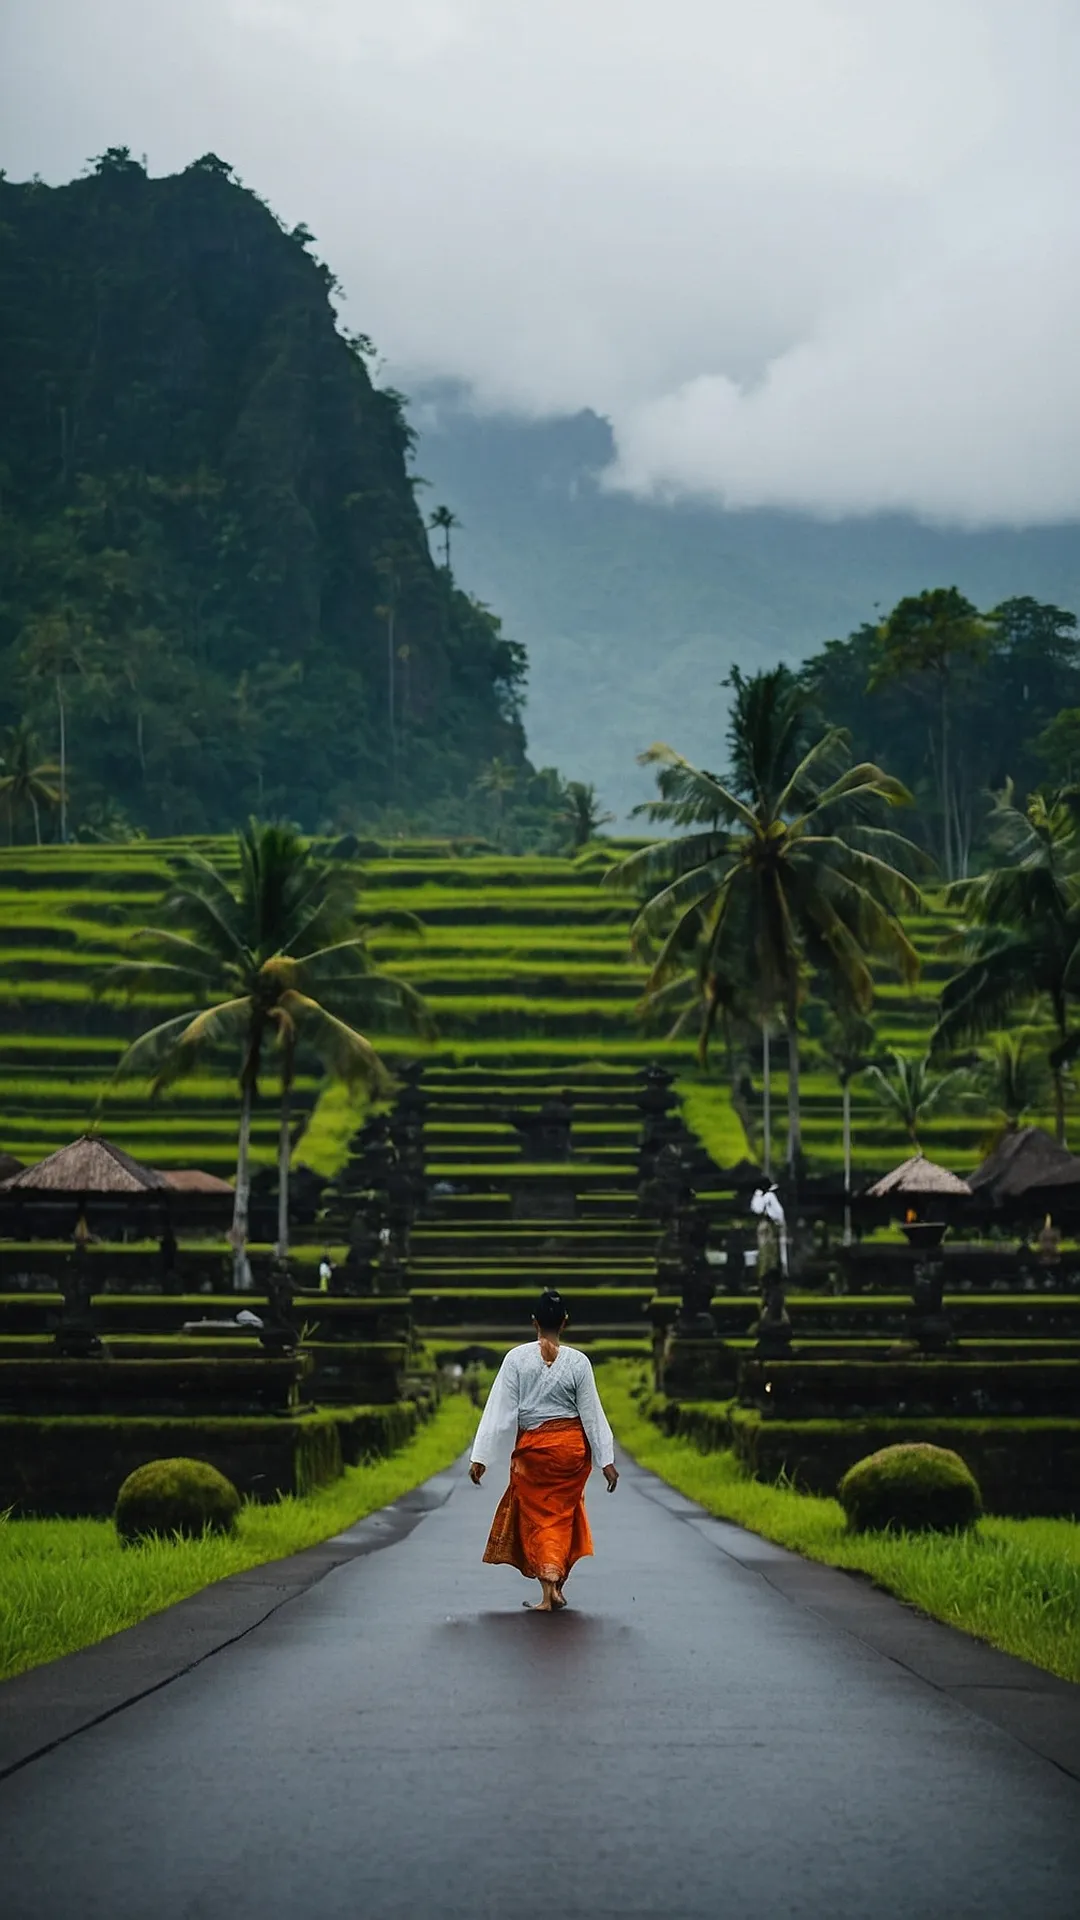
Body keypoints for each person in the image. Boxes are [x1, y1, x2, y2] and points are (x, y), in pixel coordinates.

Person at [469, 1289, 618, 1612]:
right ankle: (556, 1582)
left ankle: (549, 1585)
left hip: (534, 1454)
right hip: (570, 1454)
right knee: (563, 1515)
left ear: (534, 1322)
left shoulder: (517, 1360)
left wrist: (480, 1456)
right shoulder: (578, 1362)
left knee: (540, 1519)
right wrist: (606, 1460)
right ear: (564, 1323)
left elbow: (498, 1411)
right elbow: (591, 1414)